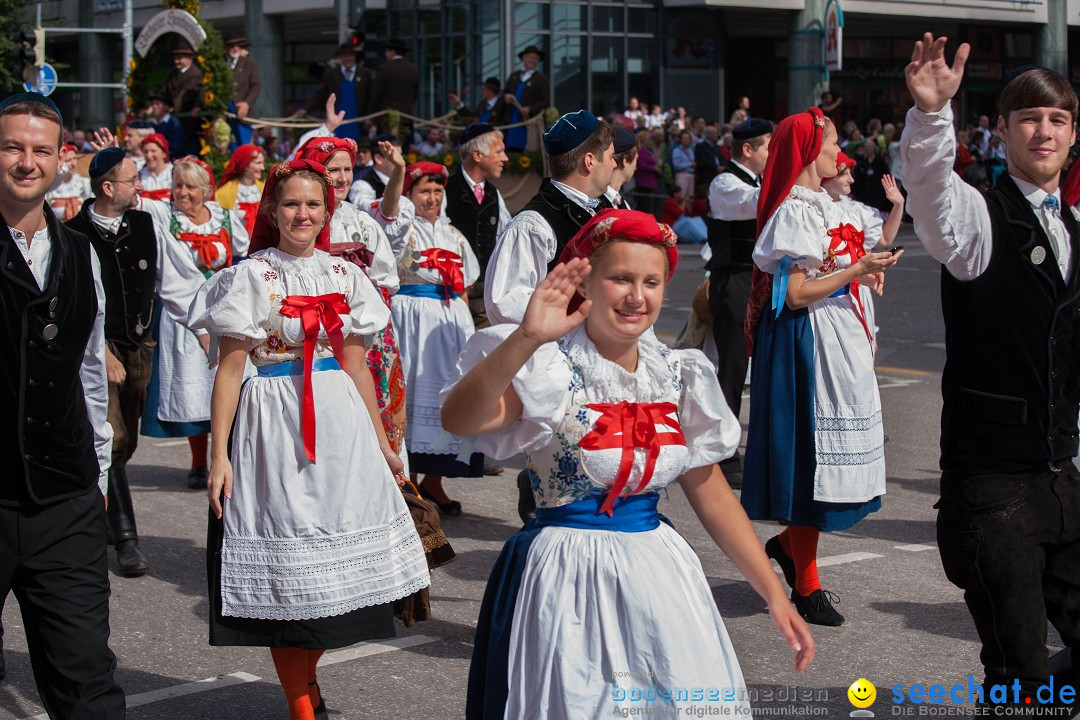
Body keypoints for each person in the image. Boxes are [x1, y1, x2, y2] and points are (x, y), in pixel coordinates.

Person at [443, 209, 814, 719]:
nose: (637, 296)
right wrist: (526, 338)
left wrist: (774, 593)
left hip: (659, 570)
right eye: (620, 279)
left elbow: (709, 492)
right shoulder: (551, 368)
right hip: (565, 576)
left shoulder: (676, 374)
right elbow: (460, 419)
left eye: (651, 282)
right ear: (587, 283)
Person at [192, 158, 429, 720]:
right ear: (272, 211)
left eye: (313, 205)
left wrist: (381, 441)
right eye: (292, 204)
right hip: (272, 425)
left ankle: (308, 683)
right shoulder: (250, 275)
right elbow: (229, 372)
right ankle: (302, 705)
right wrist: (218, 456)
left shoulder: (347, 276)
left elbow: (356, 366)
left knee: (334, 590)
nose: (303, 214)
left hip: (341, 425)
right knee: (285, 582)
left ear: (329, 212)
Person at [901, 34, 1080, 704]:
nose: (1044, 130)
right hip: (993, 488)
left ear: (1073, 133)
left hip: (1062, 479)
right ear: (1001, 130)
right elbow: (929, 191)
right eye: (1029, 117)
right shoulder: (979, 219)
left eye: (1058, 118)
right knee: (1018, 676)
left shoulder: (1073, 227)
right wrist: (930, 116)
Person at [741, 106, 902, 627]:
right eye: (832, 143)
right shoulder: (795, 210)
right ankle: (806, 581)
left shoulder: (825, 205)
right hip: (805, 340)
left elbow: (833, 266)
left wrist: (862, 273)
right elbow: (792, 296)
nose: (840, 152)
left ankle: (791, 550)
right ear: (812, 151)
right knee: (811, 464)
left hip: (835, 334)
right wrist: (857, 268)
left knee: (823, 465)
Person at [0, 91, 124, 717]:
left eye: (40, 150)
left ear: (60, 161)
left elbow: (89, 369)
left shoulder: (80, 251)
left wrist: (96, 473)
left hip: (65, 496)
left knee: (86, 683)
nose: (27, 162)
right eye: (13, 147)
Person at [65, 147, 208, 577]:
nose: (140, 186)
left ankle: (101, 514)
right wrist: (101, 352)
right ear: (109, 187)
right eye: (131, 180)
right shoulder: (74, 234)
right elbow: (73, 303)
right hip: (96, 353)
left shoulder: (147, 224)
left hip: (139, 348)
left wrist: (203, 329)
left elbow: (180, 283)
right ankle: (125, 539)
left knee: (124, 445)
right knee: (108, 435)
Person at [484, 110, 615, 522]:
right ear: (589, 161)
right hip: (563, 364)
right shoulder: (534, 223)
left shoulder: (604, 209)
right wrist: (572, 307)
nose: (615, 161)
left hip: (607, 357)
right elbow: (504, 300)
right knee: (565, 473)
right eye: (610, 154)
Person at [374, 150, 482, 515]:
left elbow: (465, 283)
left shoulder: (454, 235)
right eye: (423, 191)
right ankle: (410, 481)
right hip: (410, 319)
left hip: (449, 321)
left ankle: (435, 482)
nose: (432, 198)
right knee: (415, 390)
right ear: (409, 194)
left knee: (445, 393)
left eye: (437, 190)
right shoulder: (402, 231)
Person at [295, 135, 404, 462]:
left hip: (364, 331)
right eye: (333, 169)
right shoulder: (300, 221)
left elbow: (386, 279)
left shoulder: (362, 221)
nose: (342, 177)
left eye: (348, 168)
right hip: (316, 331)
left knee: (376, 409)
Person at [142, 156, 248, 490]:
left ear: (205, 189)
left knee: (229, 383)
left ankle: (228, 457)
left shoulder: (226, 219)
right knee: (195, 388)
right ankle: (198, 462)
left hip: (225, 312)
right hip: (183, 314)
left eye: (190, 186)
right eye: (177, 185)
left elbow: (246, 257)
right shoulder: (164, 218)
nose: (182, 193)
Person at [705, 117, 772, 487]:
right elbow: (752, 205)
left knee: (761, 368)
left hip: (758, 281)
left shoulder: (760, 182)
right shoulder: (725, 183)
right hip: (733, 281)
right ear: (748, 150)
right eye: (768, 148)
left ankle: (757, 451)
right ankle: (725, 453)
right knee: (731, 371)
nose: (771, 155)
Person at [822, 151, 905, 347]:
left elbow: (885, 238)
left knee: (864, 352)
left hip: (859, 289)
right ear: (827, 177)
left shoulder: (855, 209)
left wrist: (898, 205)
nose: (851, 179)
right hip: (831, 291)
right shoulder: (814, 209)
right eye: (845, 174)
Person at [444, 123, 510, 330]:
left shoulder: (494, 194)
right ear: (477, 155)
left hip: (485, 292)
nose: (505, 158)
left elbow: (504, 239)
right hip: (450, 293)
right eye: (499, 152)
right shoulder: (445, 189)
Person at [297, 43, 373, 143]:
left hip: (358, 122)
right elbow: (320, 94)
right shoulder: (332, 74)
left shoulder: (365, 74)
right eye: (345, 55)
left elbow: (372, 97)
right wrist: (305, 109)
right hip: (337, 122)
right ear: (340, 57)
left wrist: (370, 118)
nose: (349, 58)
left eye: (351, 55)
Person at [503, 45, 550, 151]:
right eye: (530, 57)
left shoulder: (542, 79)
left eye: (535, 58)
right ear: (524, 58)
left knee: (526, 146)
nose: (533, 60)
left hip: (528, 121)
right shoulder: (514, 76)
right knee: (509, 144)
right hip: (511, 117)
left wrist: (530, 108)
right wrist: (506, 97)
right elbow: (505, 92)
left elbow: (546, 101)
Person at [215, 144, 266, 239]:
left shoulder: (265, 189)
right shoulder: (224, 194)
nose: (262, 168)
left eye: (262, 163)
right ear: (245, 165)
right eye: (258, 163)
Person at [370, 37, 420, 134]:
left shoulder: (385, 69)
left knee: (386, 146)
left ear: (392, 51)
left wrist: (373, 117)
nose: (385, 54)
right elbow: (415, 94)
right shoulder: (413, 69)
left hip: (387, 117)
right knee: (404, 147)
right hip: (406, 116)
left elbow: (377, 94)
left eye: (387, 51)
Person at [163, 41, 203, 157]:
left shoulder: (195, 74)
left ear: (190, 58)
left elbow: (184, 93)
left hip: (189, 123)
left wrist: (170, 107)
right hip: (176, 122)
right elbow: (165, 90)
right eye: (175, 58)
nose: (177, 61)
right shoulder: (173, 74)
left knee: (189, 153)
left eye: (180, 58)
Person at [224, 34, 262, 146]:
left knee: (244, 147)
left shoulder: (249, 63)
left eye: (238, 46)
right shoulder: (220, 63)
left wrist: (246, 103)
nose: (235, 48)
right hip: (224, 114)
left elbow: (256, 87)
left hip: (242, 114)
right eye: (231, 46)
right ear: (225, 48)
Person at [46, 143, 91, 221]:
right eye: (68, 160)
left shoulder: (83, 183)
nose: (73, 164)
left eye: (74, 158)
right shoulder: (50, 188)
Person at [600, 127, 637, 210]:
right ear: (625, 161)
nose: (635, 168)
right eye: (636, 160)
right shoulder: (596, 203)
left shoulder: (621, 202)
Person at [147, 90, 185, 161]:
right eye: (153, 104)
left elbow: (176, 146)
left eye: (157, 104)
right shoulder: (151, 124)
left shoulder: (174, 123)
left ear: (166, 107)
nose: (154, 107)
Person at [632, 129, 661, 217]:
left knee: (648, 205)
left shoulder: (647, 149)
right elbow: (641, 164)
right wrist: (654, 168)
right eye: (648, 139)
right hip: (644, 182)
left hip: (649, 181)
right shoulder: (641, 150)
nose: (650, 141)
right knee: (644, 205)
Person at [138, 132, 174, 202]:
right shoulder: (140, 176)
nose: (149, 155)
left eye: (153, 151)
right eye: (146, 151)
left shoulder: (174, 173)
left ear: (164, 153)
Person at [671, 129, 695, 200]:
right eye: (684, 138)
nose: (686, 140)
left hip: (691, 175)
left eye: (688, 138)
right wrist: (690, 164)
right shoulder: (677, 150)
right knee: (681, 196)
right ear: (680, 140)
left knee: (689, 198)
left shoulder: (691, 150)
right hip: (682, 175)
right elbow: (676, 165)